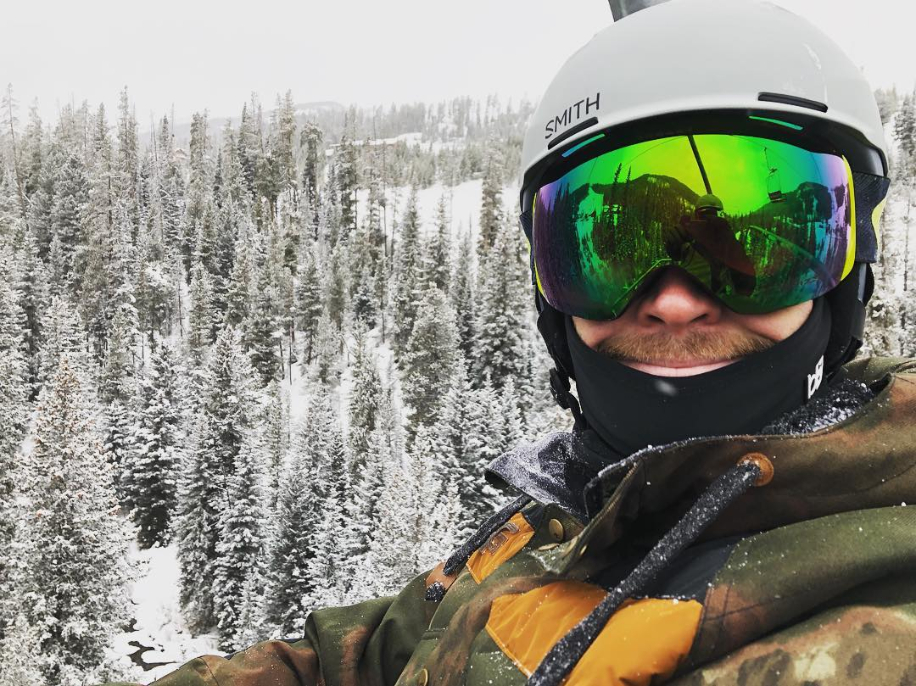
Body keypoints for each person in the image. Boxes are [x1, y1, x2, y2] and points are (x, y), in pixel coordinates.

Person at [105, 0, 912, 684]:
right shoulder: (562, 521)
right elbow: (359, 658)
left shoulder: (878, 591)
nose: (673, 300)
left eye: (755, 252)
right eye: (607, 255)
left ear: (847, 271)